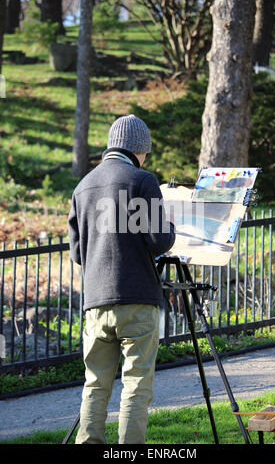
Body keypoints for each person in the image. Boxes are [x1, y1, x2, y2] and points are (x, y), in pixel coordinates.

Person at [68, 114, 175, 444]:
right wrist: (170, 228)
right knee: (136, 385)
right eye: (147, 153)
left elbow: (77, 254)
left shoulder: (82, 186)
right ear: (139, 150)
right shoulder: (142, 180)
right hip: (137, 300)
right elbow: (159, 240)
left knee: (95, 385)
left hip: (96, 304)